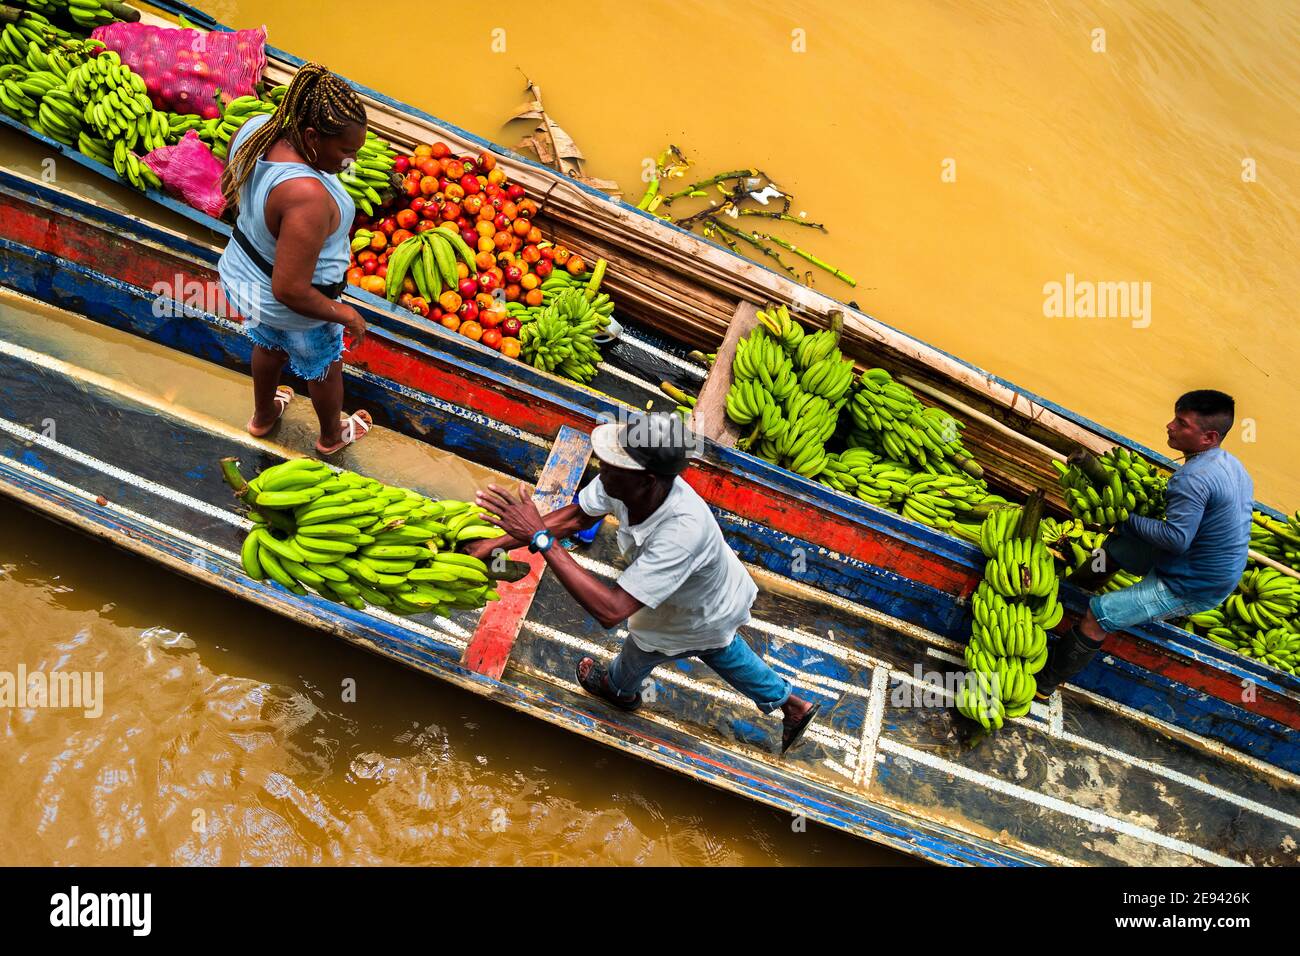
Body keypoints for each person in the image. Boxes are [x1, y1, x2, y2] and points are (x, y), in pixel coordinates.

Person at [464, 413, 822, 754]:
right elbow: (575, 517)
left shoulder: (681, 531)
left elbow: (611, 609)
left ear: (647, 480)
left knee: (644, 649)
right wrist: (492, 545)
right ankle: (791, 704)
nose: (601, 467)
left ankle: (617, 691)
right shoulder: (621, 483)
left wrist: (541, 539)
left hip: (691, 609)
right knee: (719, 647)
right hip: (702, 598)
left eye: (612, 464)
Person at [1036, 390, 1253, 698]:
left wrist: (1124, 520)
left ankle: (1044, 684)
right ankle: (1072, 592)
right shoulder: (1230, 464)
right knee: (1116, 549)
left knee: (1099, 615)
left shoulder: (1194, 478)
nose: (1170, 426)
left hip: (1193, 583)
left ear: (1209, 437)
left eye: (1182, 423)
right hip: (1204, 559)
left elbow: (1176, 539)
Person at [218, 63, 373, 456]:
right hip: (295, 305)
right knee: (323, 366)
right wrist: (344, 314)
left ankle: (263, 415)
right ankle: (331, 437)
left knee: (268, 345)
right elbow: (289, 289)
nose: (350, 161)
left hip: (246, 279)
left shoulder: (255, 129)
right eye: (346, 151)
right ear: (310, 136)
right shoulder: (307, 195)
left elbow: (230, 191)